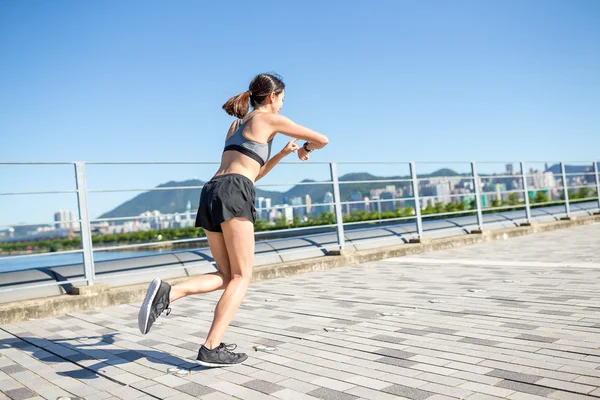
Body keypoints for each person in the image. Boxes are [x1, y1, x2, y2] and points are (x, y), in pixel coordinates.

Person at [138, 73, 329, 367]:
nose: (282, 104)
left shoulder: (236, 125)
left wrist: (280, 154)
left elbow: (253, 172)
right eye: (282, 98)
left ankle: (169, 292)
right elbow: (322, 139)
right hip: (234, 192)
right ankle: (211, 346)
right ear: (272, 97)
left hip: (212, 190)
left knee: (228, 276)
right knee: (243, 277)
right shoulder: (270, 118)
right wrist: (305, 148)